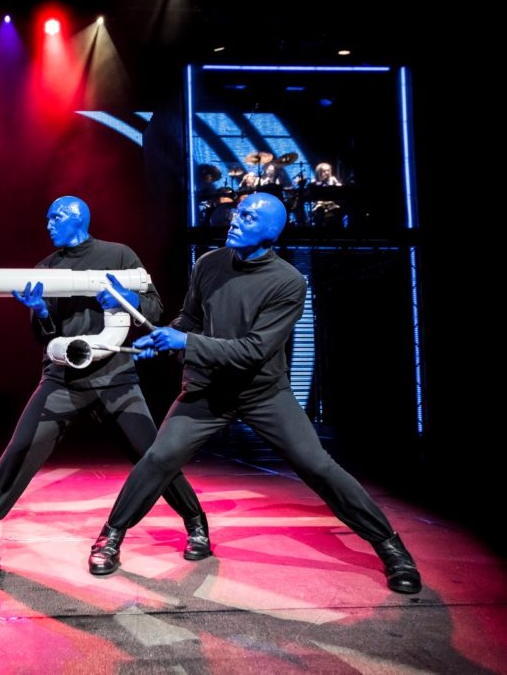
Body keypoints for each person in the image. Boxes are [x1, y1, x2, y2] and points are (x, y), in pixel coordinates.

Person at [85, 193, 421, 594]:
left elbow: (254, 350)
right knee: (159, 458)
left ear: (272, 231)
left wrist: (185, 342)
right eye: (236, 212)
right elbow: (191, 319)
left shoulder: (288, 282)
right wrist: (165, 337)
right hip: (209, 390)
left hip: (263, 393)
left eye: (247, 216)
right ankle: (111, 536)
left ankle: (390, 546)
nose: (234, 218)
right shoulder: (208, 264)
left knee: (318, 466)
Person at [0, 196, 210, 568]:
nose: (48, 224)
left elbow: (153, 308)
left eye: (55, 217)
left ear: (78, 217)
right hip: (63, 380)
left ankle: (196, 523)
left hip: (115, 378)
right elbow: (45, 336)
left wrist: (126, 297)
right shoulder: (47, 268)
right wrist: (40, 311)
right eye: (47, 218)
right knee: (20, 451)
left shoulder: (119, 255)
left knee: (155, 456)